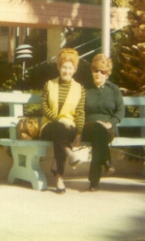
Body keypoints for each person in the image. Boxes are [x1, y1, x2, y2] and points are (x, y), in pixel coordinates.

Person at [39, 48, 85, 193]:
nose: (67, 71)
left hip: (69, 128)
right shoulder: (49, 84)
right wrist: (59, 120)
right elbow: (44, 108)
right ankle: (67, 158)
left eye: (70, 68)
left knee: (62, 133)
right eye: (64, 67)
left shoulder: (80, 89)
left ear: (75, 69)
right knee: (59, 129)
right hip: (49, 126)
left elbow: (79, 113)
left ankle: (59, 175)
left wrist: (79, 133)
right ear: (59, 67)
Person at [82, 54, 124, 191]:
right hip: (88, 127)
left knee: (99, 135)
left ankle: (95, 180)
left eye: (102, 71)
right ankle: (105, 163)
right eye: (96, 70)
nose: (99, 74)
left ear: (108, 73)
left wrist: (110, 123)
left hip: (108, 129)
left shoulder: (114, 89)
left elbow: (120, 111)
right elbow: (79, 111)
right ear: (92, 71)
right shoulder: (85, 89)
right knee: (97, 130)